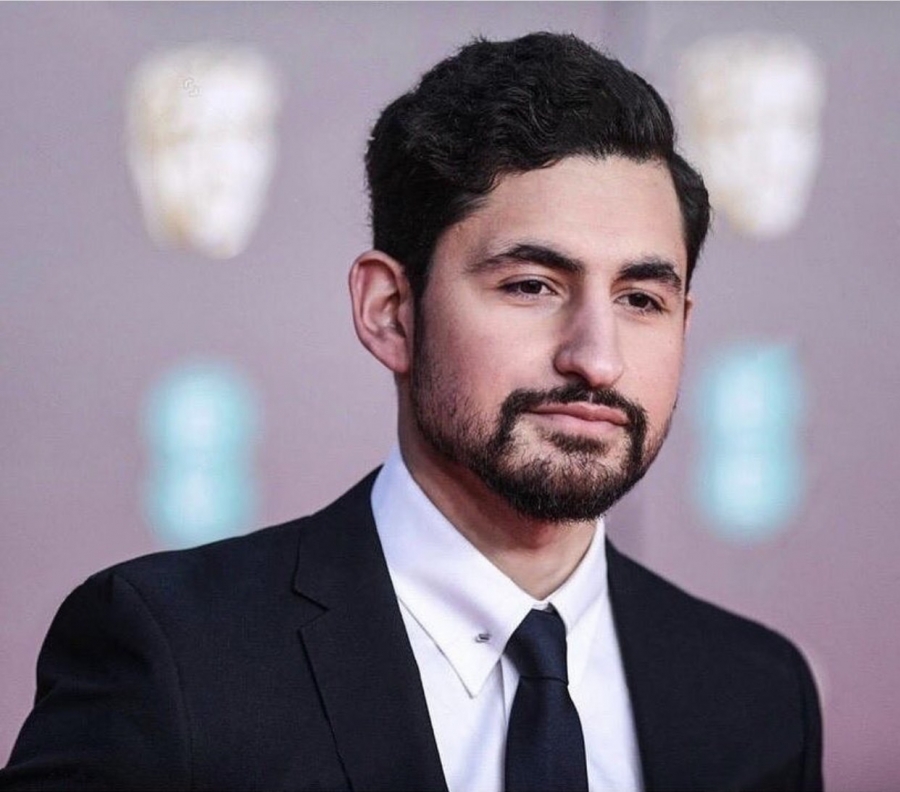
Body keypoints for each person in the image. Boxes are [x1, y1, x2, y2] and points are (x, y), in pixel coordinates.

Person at [1, 32, 823, 792]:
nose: (596, 358)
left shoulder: (756, 694)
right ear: (390, 311)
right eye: (531, 286)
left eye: (641, 298)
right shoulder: (174, 657)